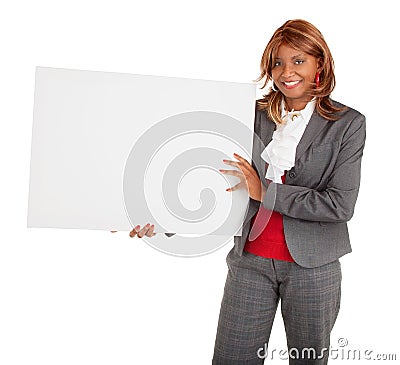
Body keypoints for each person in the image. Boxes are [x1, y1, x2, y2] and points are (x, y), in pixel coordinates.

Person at [212, 19, 366, 364]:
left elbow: (339, 205)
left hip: (313, 267)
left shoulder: (348, 125)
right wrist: (158, 220)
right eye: (278, 62)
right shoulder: (253, 115)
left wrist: (265, 192)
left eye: (298, 60)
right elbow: (216, 178)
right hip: (249, 261)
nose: (286, 72)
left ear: (319, 64)